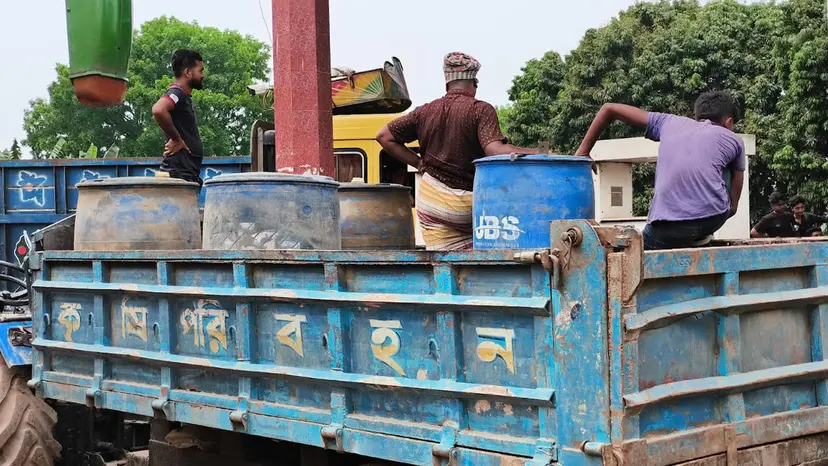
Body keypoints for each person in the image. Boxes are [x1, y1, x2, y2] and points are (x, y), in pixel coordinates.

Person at [376, 52, 536, 250]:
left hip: (431, 205)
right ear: (474, 83)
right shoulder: (480, 110)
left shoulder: (424, 112)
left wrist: (419, 163)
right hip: (468, 210)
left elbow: (384, 136)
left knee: (446, 265)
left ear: (447, 85)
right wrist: (537, 152)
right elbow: (495, 151)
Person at [575, 91, 745, 250]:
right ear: (728, 122)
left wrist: (583, 152)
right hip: (713, 217)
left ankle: (693, 236)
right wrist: (728, 210)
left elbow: (609, 109)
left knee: (636, 253)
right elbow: (734, 205)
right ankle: (698, 236)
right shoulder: (734, 139)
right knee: (728, 161)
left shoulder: (669, 122)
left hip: (665, 225)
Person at [152, 49, 206, 185]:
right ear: (188, 72)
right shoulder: (177, 92)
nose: (203, 75)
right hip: (177, 173)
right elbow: (158, 109)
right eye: (201, 70)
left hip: (185, 173)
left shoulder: (184, 96)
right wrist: (176, 139)